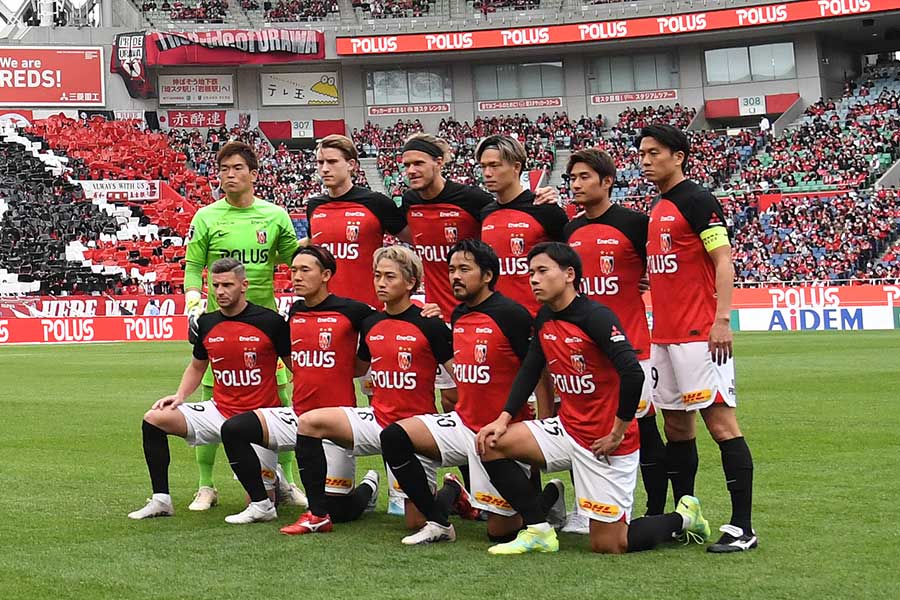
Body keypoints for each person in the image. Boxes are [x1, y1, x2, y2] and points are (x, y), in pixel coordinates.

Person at [474, 242, 710, 555]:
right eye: (530, 272)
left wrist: (617, 431)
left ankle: (684, 518)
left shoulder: (595, 316)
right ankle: (538, 529)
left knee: (610, 544)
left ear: (569, 274)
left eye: (542, 271)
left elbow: (633, 373)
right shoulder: (544, 317)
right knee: (490, 443)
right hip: (567, 430)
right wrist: (503, 419)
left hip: (605, 441)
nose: (533, 279)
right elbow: (530, 369)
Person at [380, 239, 565, 545]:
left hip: (502, 431)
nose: (455, 276)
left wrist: (542, 422)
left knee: (500, 532)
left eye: (464, 269)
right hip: (462, 424)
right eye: (451, 269)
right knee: (394, 437)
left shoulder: (511, 314)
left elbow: (538, 370)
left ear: (488, 275)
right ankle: (439, 522)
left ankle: (549, 496)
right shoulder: (457, 314)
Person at [640, 123, 757, 553]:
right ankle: (688, 515)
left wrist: (722, 319)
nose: (647, 160)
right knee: (676, 427)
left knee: (721, 425)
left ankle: (743, 527)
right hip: (665, 336)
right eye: (643, 153)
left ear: (679, 156)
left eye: (655, 153)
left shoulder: (697, 200)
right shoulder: (659, 206)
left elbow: (723, 261)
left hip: (699, 335)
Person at [284, 245, 454, 535]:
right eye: (377, 276)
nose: (381, 283)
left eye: (390, 277)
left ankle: (453, 488)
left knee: (416, 522)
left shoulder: (430, 324)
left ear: (411, 282)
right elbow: (359, 368)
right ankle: (318, 514)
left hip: (414, 429)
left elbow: (459, 377)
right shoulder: (372, 322)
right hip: (376, 420)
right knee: (310, 423)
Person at [219, 245, 380, 525]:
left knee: (338, 513)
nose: (296, 276)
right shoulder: (294, 310)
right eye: (293, 270)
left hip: (337, 421)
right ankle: (262, 503)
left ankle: (370, 485)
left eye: (305, 270)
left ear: (326, 274)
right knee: (234, 429)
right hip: (297, 416)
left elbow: (384, 330)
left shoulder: (353, 311)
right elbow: (293, 359)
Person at [183, 141, 303, 512]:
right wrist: (193, 302)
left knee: (278, 402)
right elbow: (192, 265)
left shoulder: (275, 215)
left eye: (237, 168)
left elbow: (293, 260)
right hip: (220, 327)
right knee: (212, 402)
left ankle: (285, 483)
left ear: (253, 174)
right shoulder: (206, 216)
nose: (229, 175)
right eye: (223, 169)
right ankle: (205, 486)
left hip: (266, 326)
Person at [128, 258, 291, 522]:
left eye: (227, 284)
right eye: (215, 285)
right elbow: (196, 367)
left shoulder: (271, 322)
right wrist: (180, 396)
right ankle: (161, 500)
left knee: (261, 500)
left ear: (244, 285)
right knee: (154, 419)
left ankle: (277, 482)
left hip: (259, 420)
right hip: (219, 411)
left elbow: (296, 366)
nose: (220, 291)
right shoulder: (207, 323)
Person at [563, 149, 668, 527]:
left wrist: (647, 280)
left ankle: (656, 509)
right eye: (572, 178)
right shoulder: (570, 230)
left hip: (632, 347)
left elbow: (662, 266)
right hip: (584, 352)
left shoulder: (635, 224)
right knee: (582, 428)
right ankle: (585, 511)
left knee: (644, 429)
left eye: (584, 177)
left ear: (607, 182)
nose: (576, 184)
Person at [305, 134, 409, 309]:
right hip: (325, 310)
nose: (324, 169)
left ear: (351, 164)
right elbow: (311, 242)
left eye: (332, 162)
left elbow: (417, 241)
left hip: (368, 309)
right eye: (320, 162)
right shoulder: (314, 206)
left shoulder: (376, 203)